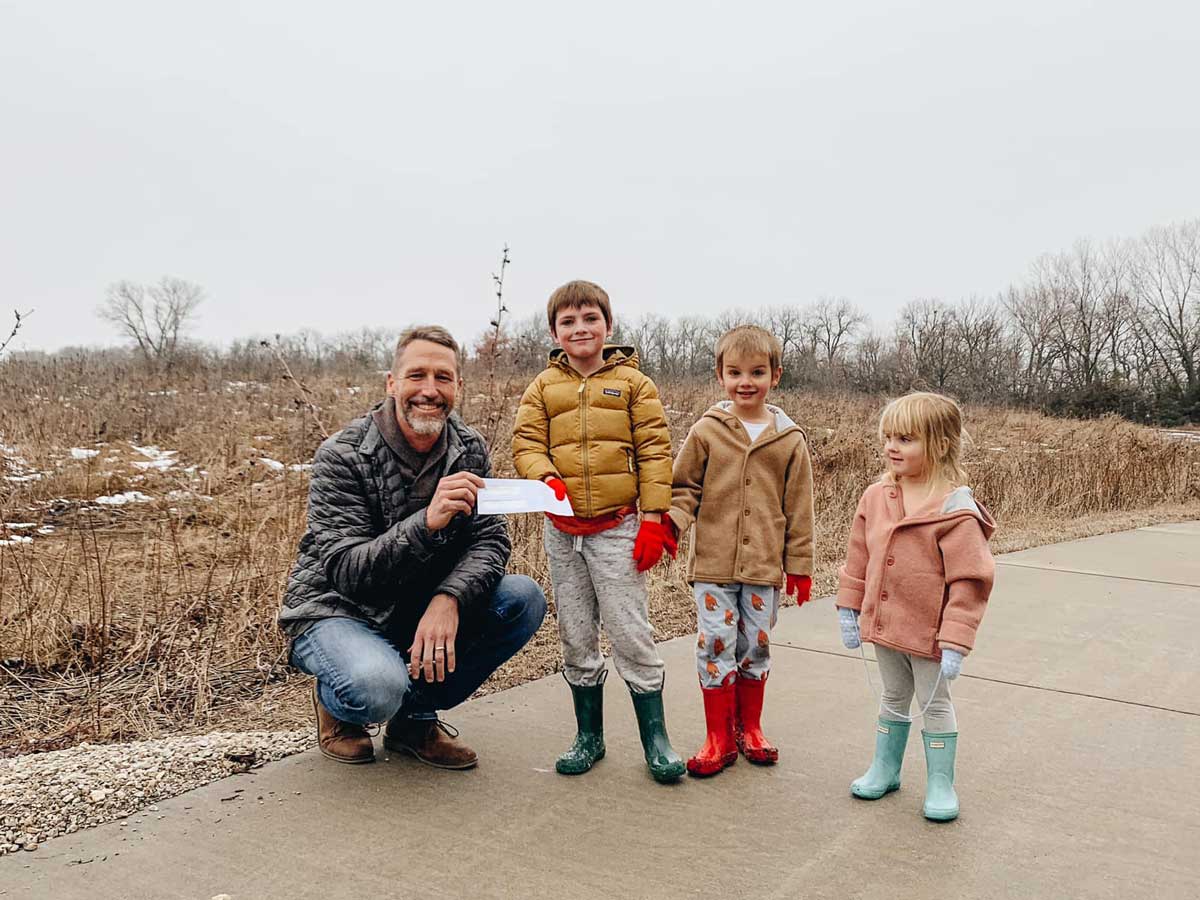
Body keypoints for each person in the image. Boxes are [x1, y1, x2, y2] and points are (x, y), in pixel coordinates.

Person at [279, 325, 546, 768]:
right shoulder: (342, 454)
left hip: (418, 603)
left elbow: (490, 538)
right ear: (392, 383)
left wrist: (450, 598)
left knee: (522, 598)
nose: (429, 390)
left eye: (443, 377)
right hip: (338, 608)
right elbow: (346, 570)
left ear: (458, 385)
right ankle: (339, 706)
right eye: (416, 375)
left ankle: (413, 722)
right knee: (375, 687)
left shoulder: (469, 447)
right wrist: (426, 523)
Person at [511, 280, 685, 783]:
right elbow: (526, 443)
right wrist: (544, 476)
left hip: (617, 527)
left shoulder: (634, 384)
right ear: (554, 331)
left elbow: (655, 452)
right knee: (576, 632)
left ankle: (656, 739)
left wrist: (653, 519)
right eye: (568, 321)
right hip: (563, 532)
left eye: (590, 318)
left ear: (607, 325)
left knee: (630, 630)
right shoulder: (543, 387)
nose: (580, 328)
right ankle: (589, 736)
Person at [836, 391, 995, 821]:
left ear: (940, 444)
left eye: (905, 439)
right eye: (888, 437)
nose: (891, 447)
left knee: (935, 704)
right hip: (885, 625)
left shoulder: (955, 511)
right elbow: (858, 556)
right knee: (892, 696)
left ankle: (941, 782)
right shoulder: (876, 497)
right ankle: (885, 768)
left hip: (930, 635)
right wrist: (849, 607)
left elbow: (971, 581)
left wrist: (956, 640)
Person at [667, 325, 815, 777]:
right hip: (713, 564)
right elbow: (683, 486)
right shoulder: (708, 430)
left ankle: (749, 728)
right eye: (735, 372)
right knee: (716, 641)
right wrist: (671, 527)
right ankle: (717, 737)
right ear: (720, 375)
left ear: (776, 375)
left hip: (764, 566)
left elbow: (799, 506)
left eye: (756, 372)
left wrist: (800, 566)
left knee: (756, 645)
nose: (745, 381)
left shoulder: (789, 439)